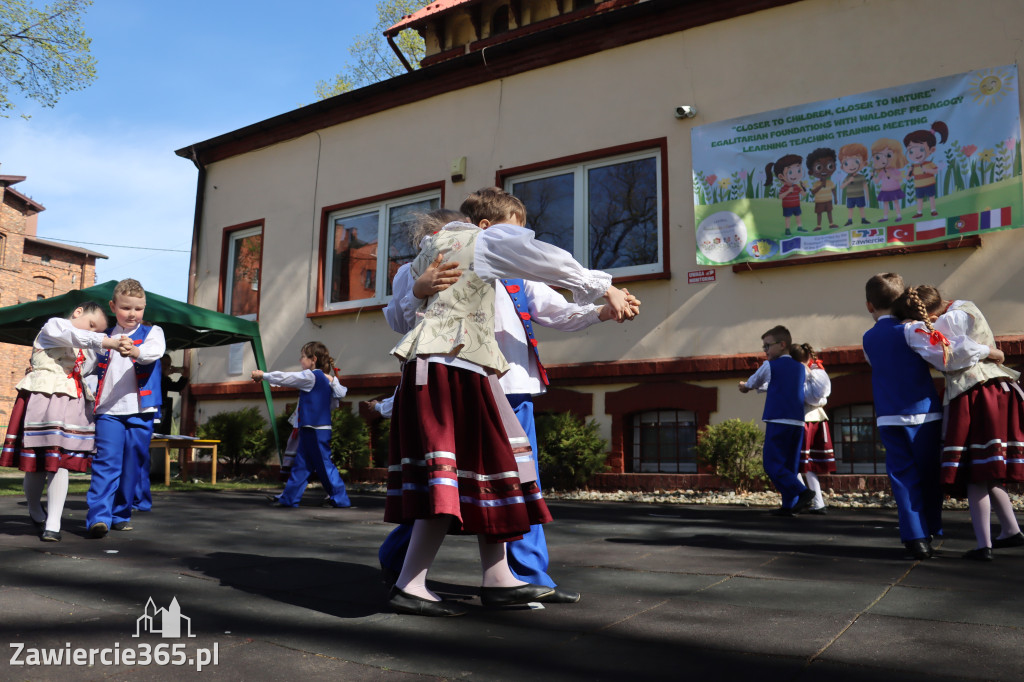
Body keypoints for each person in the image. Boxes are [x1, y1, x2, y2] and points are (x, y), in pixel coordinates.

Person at [385, 192, 637, 617]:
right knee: (449, 478)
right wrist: (605, 285)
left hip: (471, 369)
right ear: (483, 227)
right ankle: (408, 581)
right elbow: (546, 257)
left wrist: (599, 302)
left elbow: (551, 298)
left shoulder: (448, 251)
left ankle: (500, 576)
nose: (520, 237)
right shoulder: (475, 244)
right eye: (516, 229)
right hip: (454, 369)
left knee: (495, 474)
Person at [898, 285, 1021, 561]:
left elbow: (955, 356)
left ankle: (983, 545)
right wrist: (993, 352)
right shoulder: (964, 306)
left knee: (975, 471)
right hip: (997, 387)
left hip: (974, 392)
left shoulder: (946, 320)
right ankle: (1010, 530)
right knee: (988, 469)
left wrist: (988, 351)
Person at [0, 303, 130, 541]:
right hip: (42, 396)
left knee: (59, 460)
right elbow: (75, 335)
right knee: (37, 462)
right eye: (92, 326)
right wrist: (106, 341)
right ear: (77, 312)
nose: (92, 333)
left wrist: (120, 346)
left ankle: (53, 523)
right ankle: (35, 509)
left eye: (97, 331)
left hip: (70, 402)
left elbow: (87, 366)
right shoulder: (55, 326)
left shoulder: (88, 346)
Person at [862, 273, 948, 559]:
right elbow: (940, 357)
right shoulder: (911, 330)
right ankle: (932, 527)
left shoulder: (868, 338)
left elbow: (877, 365)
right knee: (928, 475)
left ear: (869, 305)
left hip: (888, 415)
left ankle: (915, 537)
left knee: (901, 477)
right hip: (923, 414)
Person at [85, 279, 165, 538]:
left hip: (142, 410)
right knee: (106, 462)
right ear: (113, 306)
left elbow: (154, 353)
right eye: (126, 308)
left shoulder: (153, 333)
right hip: (108, 410)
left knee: (133, 464)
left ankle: (120, 513)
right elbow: (87, 370)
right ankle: (98, 517)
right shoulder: (103, 338)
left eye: (138, 309)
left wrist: (134, 351)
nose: (132, 314)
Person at [252, 341, 350, 509]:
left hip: (316, 429)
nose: (300, 360)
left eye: (303, 357)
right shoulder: (320, 378)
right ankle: (289, 498)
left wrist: (264, 375)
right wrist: (332, 380)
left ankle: (340, 498)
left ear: (313, 359)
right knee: (302, 465)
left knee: (324, 465)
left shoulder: (312, 376)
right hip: (310, 428)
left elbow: (288, 378)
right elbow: (338, 397)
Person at [738, 325, 821, 516]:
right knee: (789, 466)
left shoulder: (770, 366)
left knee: (771, 464)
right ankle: (789, 506)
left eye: (767, 346)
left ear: (782, 345)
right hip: (798, 422)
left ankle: (803, 492)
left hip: (778, 419)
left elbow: (753, 382)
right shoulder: (801, 368)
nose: (765, 350)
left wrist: (744, 386)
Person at [131, 354, 188, 512]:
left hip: (161, 411)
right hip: (153, 410)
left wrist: (183, 375)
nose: (167, 368)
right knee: (149, 442)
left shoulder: (164, 378)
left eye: (169, 365)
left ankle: (158, 472)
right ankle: (149, 474)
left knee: (160, 441)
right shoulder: (157, 376)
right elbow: (169, 384)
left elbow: (175, 387)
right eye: (165, 365)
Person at [789, 343, 834, 514]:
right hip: (817, 420)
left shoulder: (807, 373)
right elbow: (821, 399)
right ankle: (818, 502)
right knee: (808, 466)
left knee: (795, 463)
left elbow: (811, 398)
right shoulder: (818, 371)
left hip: (804, 421)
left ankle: (802, 497)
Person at [903, 122, 948, 218]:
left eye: (920, 149)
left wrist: (927, 170)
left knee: (931, 197)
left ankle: (933, 210)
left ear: (932, 150)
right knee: (919, 199)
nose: (915, 153)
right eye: (911, 150)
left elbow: (936, 171)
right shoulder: (913, 166)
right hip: (919, 186)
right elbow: (908, 177)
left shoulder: (929, 164)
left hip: (929, 184)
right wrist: (908, 173)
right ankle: (919, 212)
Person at [764, 154, 806, 235]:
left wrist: (804, 188)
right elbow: (780, 197)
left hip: (796, 205)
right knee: (788, 218)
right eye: (790, 172)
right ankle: (787, 229)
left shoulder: (797, 186)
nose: (796, 175)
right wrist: (788, 191)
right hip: (787, 206)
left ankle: (800, 227)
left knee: (798, 216)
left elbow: (804, 194)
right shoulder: (784, 188)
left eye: (799, 170)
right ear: (781, 176)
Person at [870, 139, 906, 223]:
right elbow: (876, 181)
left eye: (888, 155)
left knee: (895, 202)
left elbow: (900, 178)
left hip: (894, 189)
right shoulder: (882, 172)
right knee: (885, 204)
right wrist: (872, 177)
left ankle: (899, 216)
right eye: (879, 157)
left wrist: (892, 175)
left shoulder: (894, 170)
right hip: (885, 190)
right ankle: (885, 217)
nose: (884, 160)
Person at [838, 143, 871, 226]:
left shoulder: (861, 176)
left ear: (864, 163)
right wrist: (848, 181)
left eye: (856, 161)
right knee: (850, 209)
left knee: (861, 208)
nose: (852, 165)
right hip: (850, 197)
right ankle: (850, 220)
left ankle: (863, 219)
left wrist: (867, 195)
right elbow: (842, 187)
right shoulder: (847, 177)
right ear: (842, 166)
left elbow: (865, 186)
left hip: (860, 195)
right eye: (846, 163)